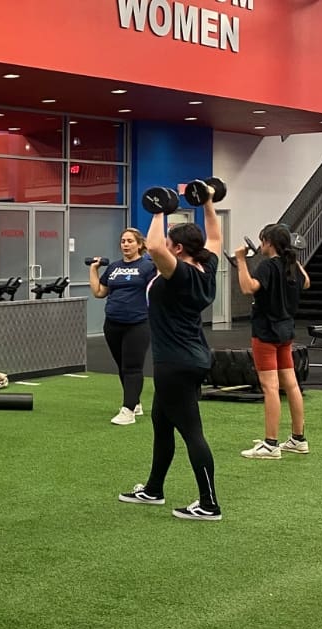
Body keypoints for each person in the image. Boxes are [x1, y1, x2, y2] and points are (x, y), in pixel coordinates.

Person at [119, 185, 223, 521]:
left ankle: (209, 504)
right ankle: (153, 489)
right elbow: (216, 237)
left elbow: (153, 245)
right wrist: (207, 202)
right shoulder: (206, 268)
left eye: (170, 243)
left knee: (192, 431)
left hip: (174, 363)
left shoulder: (178, 273)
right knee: (161, 423)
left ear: (177, 248)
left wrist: (159, 210)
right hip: (191, 357)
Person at [233, 224, 311, 459]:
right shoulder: (292, 265)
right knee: (291, 385)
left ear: (268, 242)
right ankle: (298, 439)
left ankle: (270, 444)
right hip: (285, 331)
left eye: (262, 241)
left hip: (266, 333)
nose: (260, 246)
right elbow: (306, 282)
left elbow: (248, 288)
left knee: (270, 387)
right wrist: (293, 259)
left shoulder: (267, 266)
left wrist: (240, 260)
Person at [89, 228, 156, 425]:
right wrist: (93, 270)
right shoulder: (114, 268)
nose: (125, 244)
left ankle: (128, 411)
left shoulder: (148, 266)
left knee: (132, 367)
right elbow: (99, 292)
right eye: (123, 241)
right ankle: (134, 402)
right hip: (112, 323)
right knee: (121, 366)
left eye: (130, 241)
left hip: (138, 323)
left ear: (140, 245)